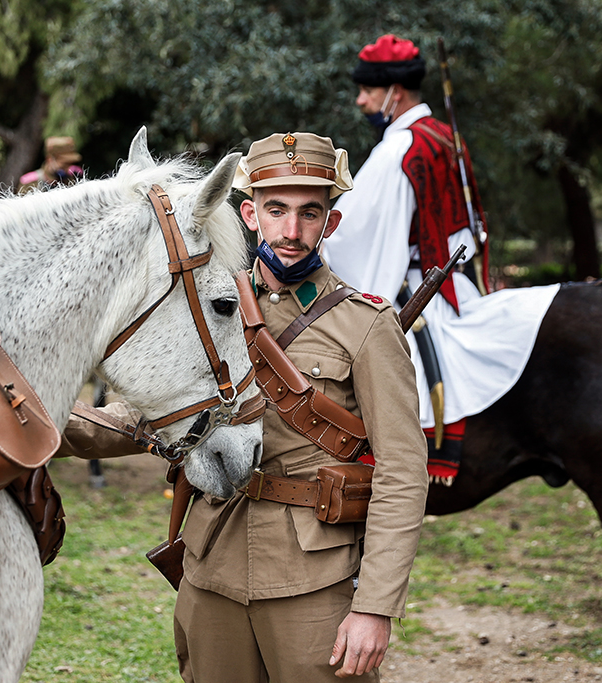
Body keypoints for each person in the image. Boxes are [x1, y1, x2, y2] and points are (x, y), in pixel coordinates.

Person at [172, 132, 429, 682]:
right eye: (276, 210)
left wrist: (375, 606)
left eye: (309, 213)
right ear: (249, 214)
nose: (292, 231)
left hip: (314, 580)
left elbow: (404, 472)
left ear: (329, 223)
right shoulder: (213, 311)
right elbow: (154, 408)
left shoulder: (366, 326)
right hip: (212, 563)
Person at [323, 35, 558, 465]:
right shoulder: (446, 137)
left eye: (368, 90)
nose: (361, 101)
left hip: (418, 290)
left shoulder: (398, 151)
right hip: (456, 284)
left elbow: (345, 237)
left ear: (394, 92)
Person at [17, 136, 84, 193]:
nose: (68, 168)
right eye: (64, 164)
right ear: (50, 160)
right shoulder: (30, 183)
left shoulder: (71, 181)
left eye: (70, 163)